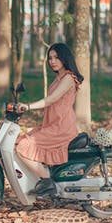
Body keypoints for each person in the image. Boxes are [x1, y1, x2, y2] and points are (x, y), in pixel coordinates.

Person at [16, 42, 84, 195]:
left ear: (64, 58)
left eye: (56, 58)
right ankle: (39, 179)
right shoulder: (59, 78)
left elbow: (51, 100)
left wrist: (28, 106)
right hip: (52, 125)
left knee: (23, 146)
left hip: (61, 128)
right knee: (20, 140)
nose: (52, 61)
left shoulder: (68, 78)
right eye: (50, 58)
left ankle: (48, 181)